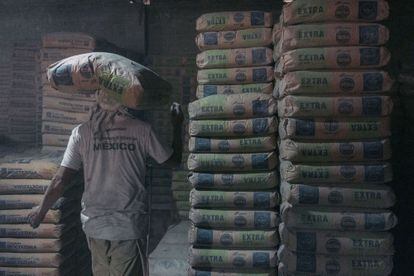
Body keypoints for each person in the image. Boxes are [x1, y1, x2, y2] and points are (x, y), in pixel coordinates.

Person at [27, 97, 184, 276]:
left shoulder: (82, 133)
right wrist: (177, 125)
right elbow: (173, 161)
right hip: (128, 227)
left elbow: (60, 180)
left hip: (95, 226)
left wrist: (41, 211)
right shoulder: (141, 130)